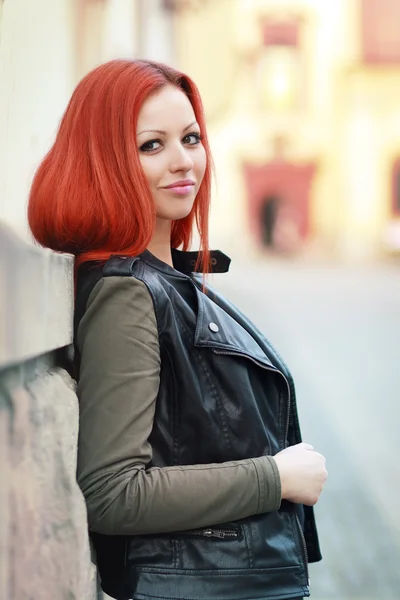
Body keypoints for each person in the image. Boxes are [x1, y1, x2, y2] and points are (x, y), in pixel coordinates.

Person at [28, 59, 327, 600]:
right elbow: (113, 491)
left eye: (190, 138)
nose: (183, 161)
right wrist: (274, 478)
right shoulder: (129, 293)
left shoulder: (164, 279)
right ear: (105, 160)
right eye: (152, 145)